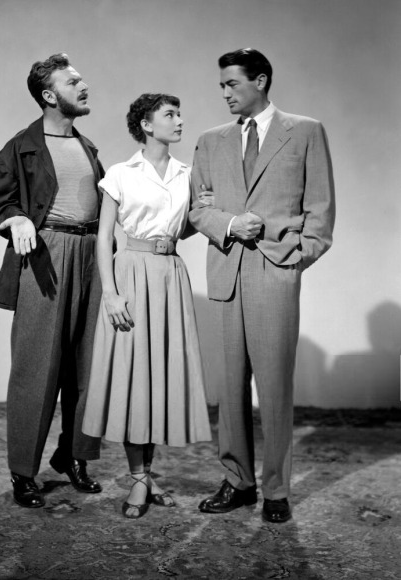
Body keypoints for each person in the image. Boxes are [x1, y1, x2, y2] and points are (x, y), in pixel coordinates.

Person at [189, 48, 335, 523]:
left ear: (262, 80)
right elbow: (197, 208)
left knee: (273, 388)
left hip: (276, 273)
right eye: (222, 86)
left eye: (232, 84)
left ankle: (275, 490)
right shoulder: (211, 141)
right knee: (230, 388)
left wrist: (294, 258)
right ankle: (238, 482)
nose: (225, 93)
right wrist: (231, 224)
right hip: (228, 271)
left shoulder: (306, 131)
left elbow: (320, 211)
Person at [82, 93, 212, 519]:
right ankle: (138, 477)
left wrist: (171, 239)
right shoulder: (120, 174)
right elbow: (104, 238)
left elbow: (190, 224)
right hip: (130, 278)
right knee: (132, 377)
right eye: (170, 115)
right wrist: (112, 292)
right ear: (146, 124)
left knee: (157, 378)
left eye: (180, 113)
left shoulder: (186, 174)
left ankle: (147, 473)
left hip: (170, 277)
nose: (179, 121)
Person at [0, 53, 104, 508]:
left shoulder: (89, 147)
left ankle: (74, 456)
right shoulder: (19, 147)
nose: (84, 85)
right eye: (74, 81)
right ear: (49, 95)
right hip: (44, 255)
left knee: (90, 367)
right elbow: (2, 203)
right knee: (36, 368)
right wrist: (15, 219)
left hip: (93, 255)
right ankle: (23, 472)